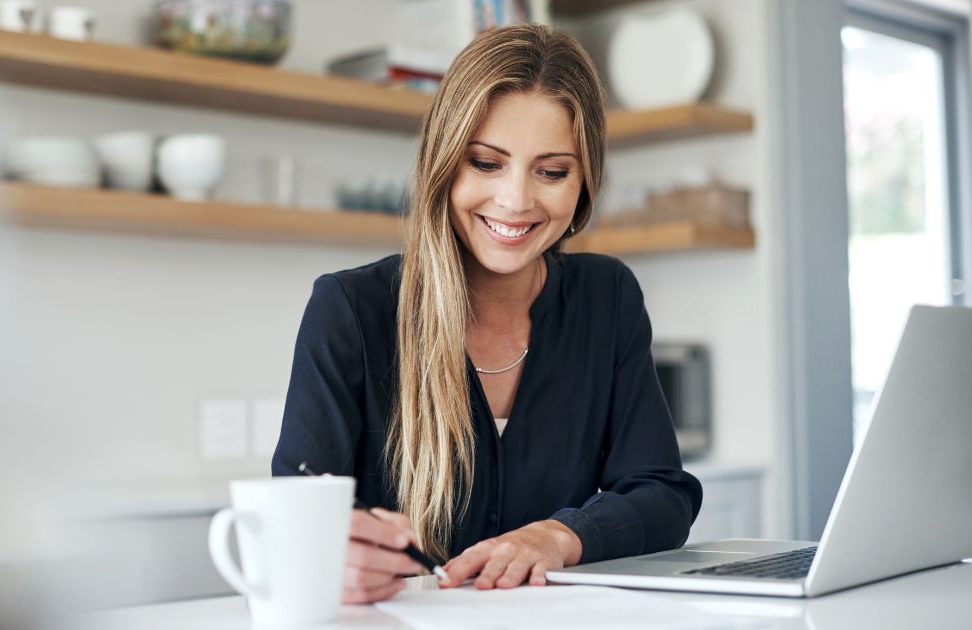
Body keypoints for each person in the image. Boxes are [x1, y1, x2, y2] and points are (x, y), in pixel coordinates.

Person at [271, 23, 702, 604]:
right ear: (444, 163)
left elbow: (663, 494)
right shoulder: (350, 310)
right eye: (485, 163)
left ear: (585, 182)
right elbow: (293, 516)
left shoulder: (608, 297)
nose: (516, 200)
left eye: (552, 171)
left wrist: (559, 536)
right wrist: (326, 554)